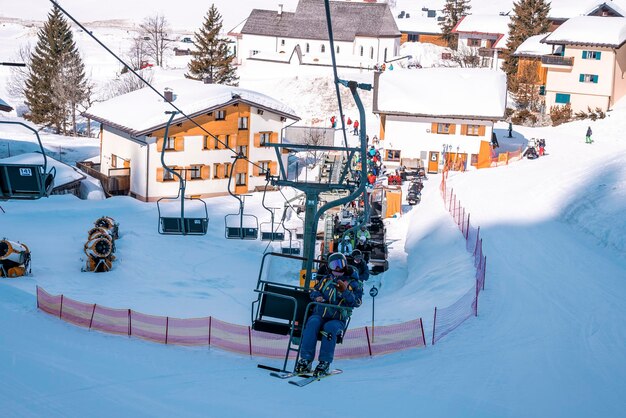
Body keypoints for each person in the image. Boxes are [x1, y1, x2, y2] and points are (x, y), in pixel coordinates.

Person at [295, 253, 363, 376]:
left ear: (345, 265)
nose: (337, 269)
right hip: (320, 313)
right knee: (312, 323)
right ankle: (305, 359)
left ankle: (324, 362)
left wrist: (345, 291)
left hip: (337, 318)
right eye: (334, 265)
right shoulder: (326, 279)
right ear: (329, 267)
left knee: (330, 328)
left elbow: (357, 302)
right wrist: (318, 297)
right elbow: (315, 290)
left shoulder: (352, 283)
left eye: (340, 264)